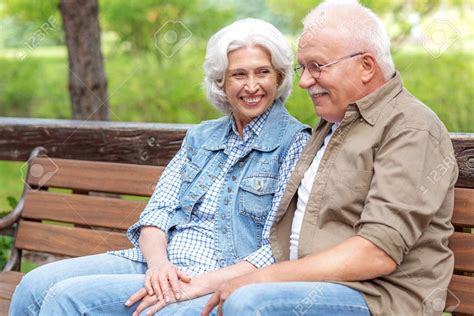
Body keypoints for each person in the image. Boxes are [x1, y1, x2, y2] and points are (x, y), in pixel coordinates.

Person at [10, 18, 311, 316]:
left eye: (262, 72)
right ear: (221, 81)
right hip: (157, 264)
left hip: (214, 277)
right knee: (34, 284)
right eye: (238, 74)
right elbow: (157, 211)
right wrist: (158, 266)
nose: (251, 86)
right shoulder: (202, 137)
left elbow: (277, 247)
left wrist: (196, 284)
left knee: (67, 298)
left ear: (279, 77)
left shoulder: (293, 144)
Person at [202, 1, 459, 316]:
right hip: (302, 285)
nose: (304, 82)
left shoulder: (410, 127)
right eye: (303, 67)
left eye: (317, 66)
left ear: (366, 65)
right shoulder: (334, 124)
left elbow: (376, 253)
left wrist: (260, 278)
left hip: (375, 299)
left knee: (248, 303)